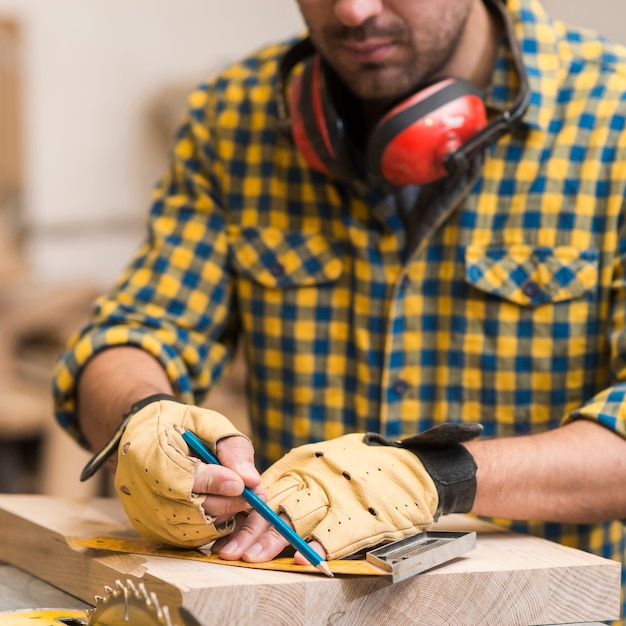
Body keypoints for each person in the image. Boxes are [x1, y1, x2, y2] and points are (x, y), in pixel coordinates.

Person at [53, 0, 626, 620]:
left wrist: (436, 475)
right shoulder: (234, 115)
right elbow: (133, 331)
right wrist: (144, 420)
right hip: (294, 607)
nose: (352, 11)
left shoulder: (612, 113)